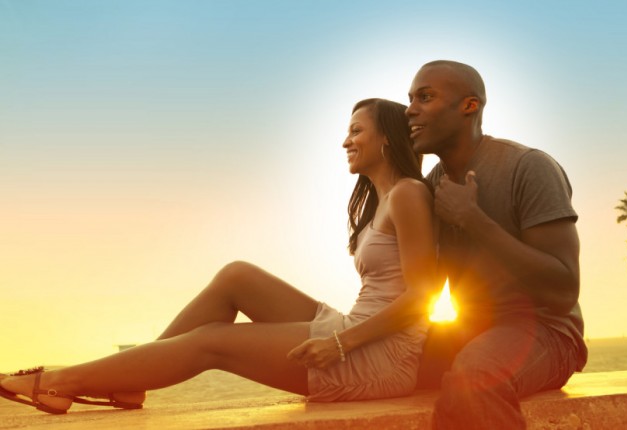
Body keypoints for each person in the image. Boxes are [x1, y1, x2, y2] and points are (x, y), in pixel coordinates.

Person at [0, 98, 440, 414]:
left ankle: (57, 382)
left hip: (378, 358)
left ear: (386, 139)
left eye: (357, 130)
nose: (346, 140)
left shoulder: (407, 195)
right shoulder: (382, 199)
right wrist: (341, 333)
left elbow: (421, 298)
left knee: (212, 340)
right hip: (356, 330)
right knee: (237, 276)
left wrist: (339, 343)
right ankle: (129, 385)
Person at [406, 60, 587, 429]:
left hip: (546, 331)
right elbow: (421, 285)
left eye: (425, 97)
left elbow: (563, 289)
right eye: (410, 99)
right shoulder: (428, 186)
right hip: (471, 330)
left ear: (469, 106)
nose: (410, 109)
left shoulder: (528, 167)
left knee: (474, 380)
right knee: (379, 373)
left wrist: (473, 220)